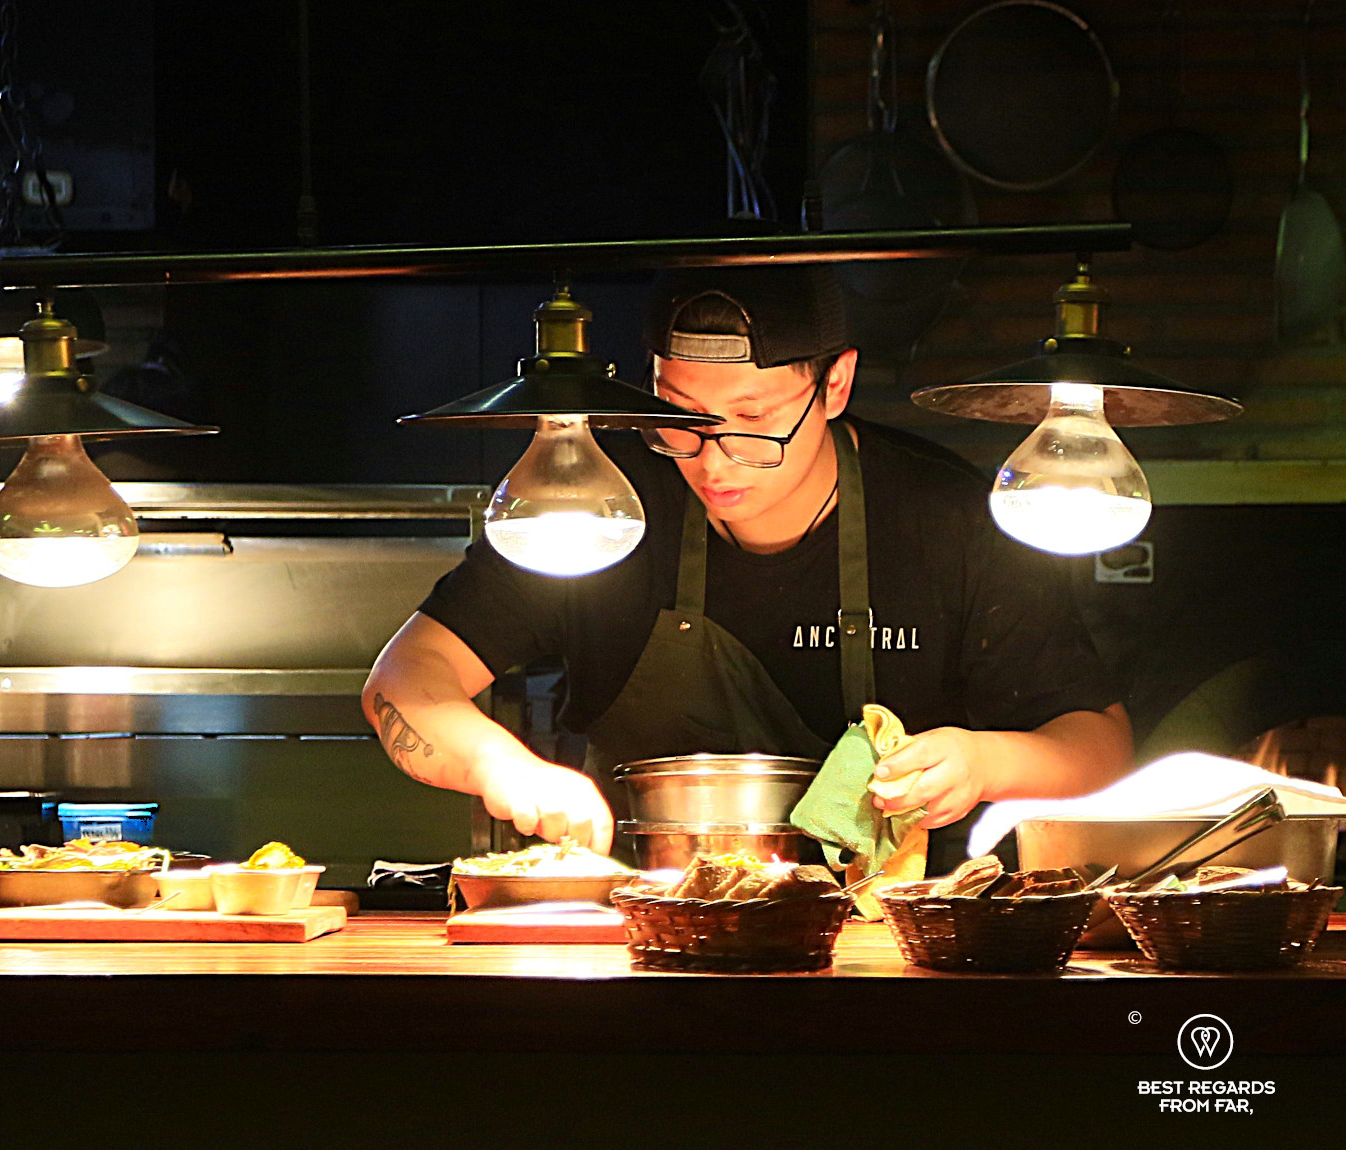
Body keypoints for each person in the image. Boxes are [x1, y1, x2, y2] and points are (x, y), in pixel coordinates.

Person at [363, 265, 1132, 861]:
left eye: (754, 420)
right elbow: (406, 680)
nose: (711, 459)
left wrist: (982, 761)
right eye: (680, 418)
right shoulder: (591, 498)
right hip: (635, 919)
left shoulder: (943, 516)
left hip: (885, 944)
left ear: (833, 384)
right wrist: (509, 770)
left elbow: (1100, 747)